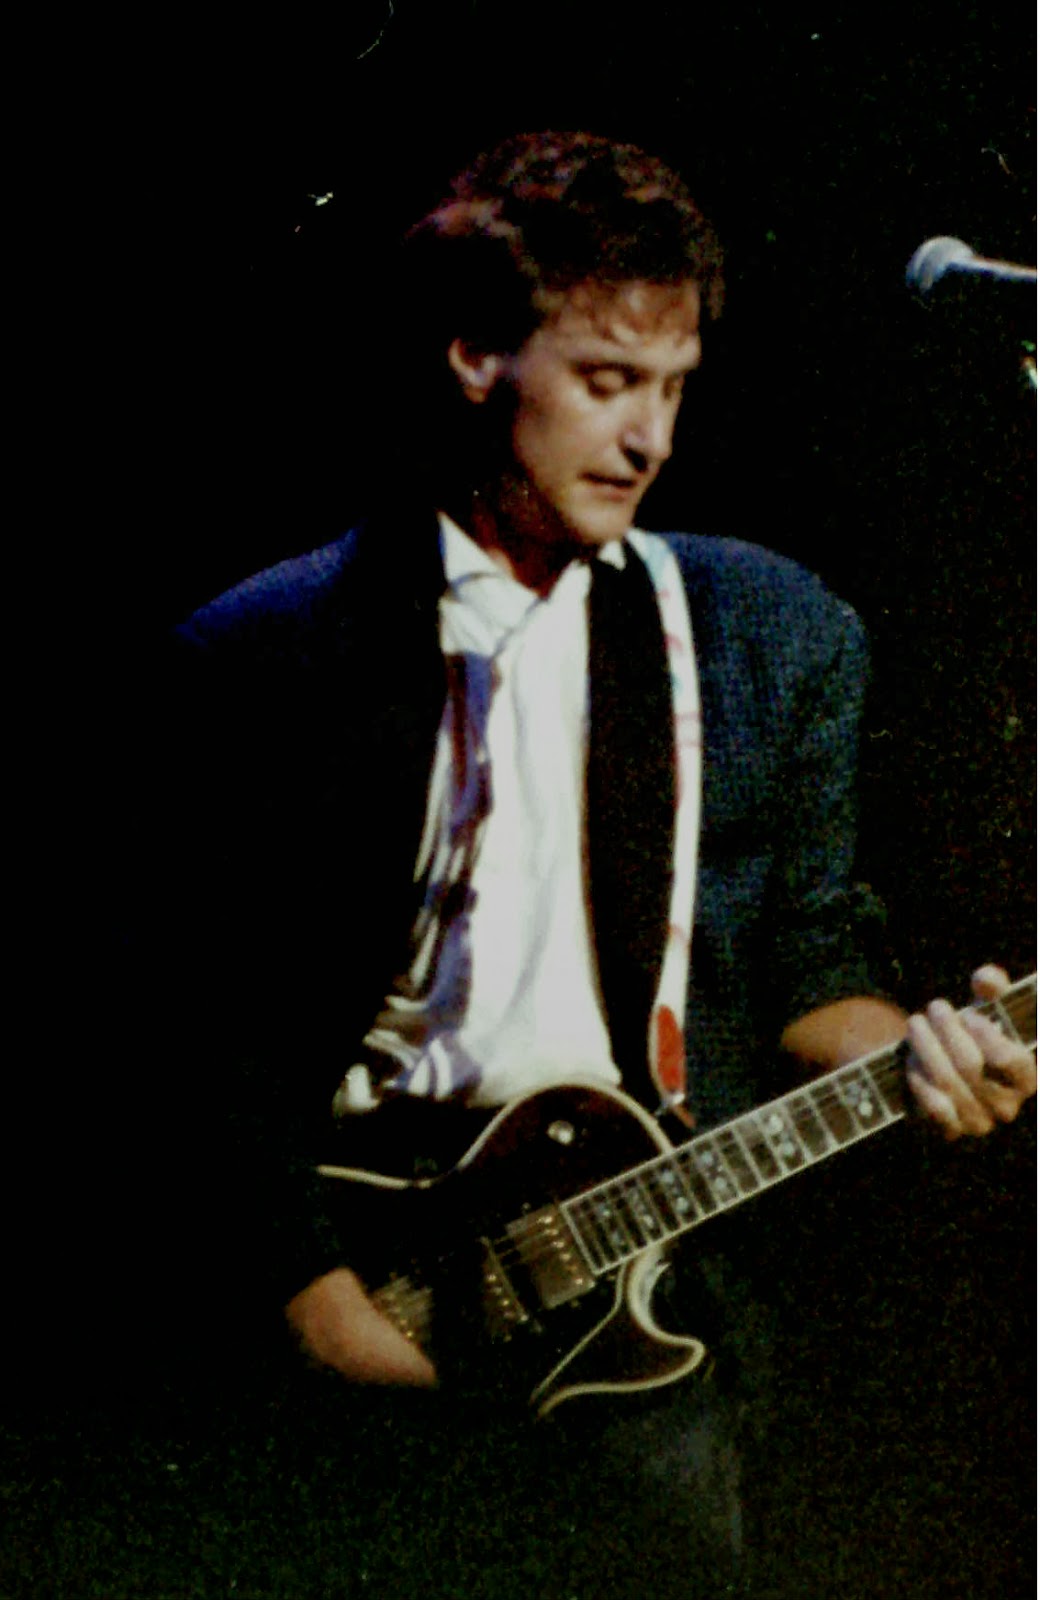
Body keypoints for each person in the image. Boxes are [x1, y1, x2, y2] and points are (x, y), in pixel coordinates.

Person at [163, 132, 1036, 1597]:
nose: (651, 440)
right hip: (349, 1303)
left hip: (636, 1320)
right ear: (474, 357)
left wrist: (934, 1059)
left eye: (674, 388)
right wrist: (313, 1304)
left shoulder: (766, 633)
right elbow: (190, 1042)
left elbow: (816, 965)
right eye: (608, 382)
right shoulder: (268, 654)